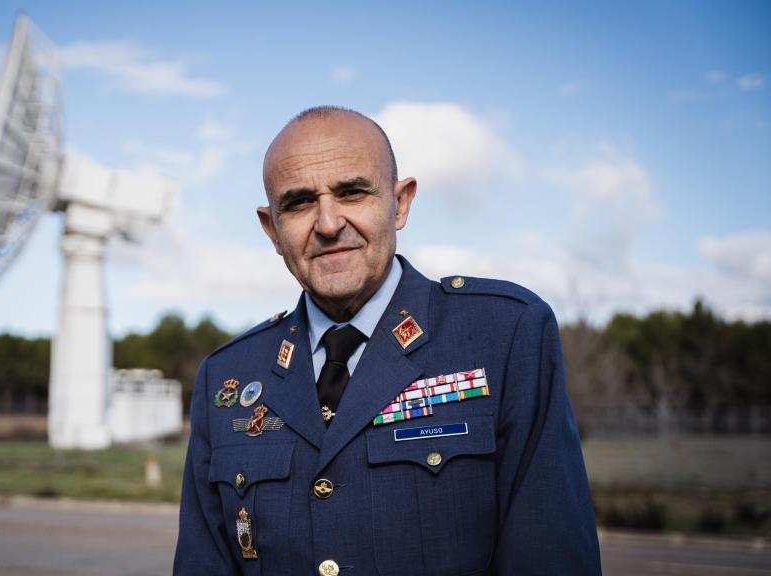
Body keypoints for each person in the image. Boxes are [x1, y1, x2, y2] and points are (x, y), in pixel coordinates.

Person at [174, 106, 601, 575]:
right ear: (271, 229)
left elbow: (549, 557)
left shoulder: (503, 337)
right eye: (298, 203)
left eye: (352, 192)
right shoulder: (230, 376)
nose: (329, 223)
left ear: (400, 203)